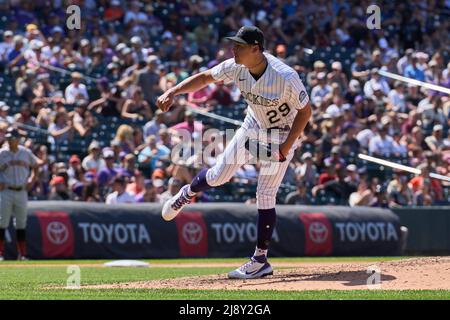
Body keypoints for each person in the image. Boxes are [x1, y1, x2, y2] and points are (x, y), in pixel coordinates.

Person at [156, 26, 311, 279]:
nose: (233, 49)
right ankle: (187, 192)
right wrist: (173, 91)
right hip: (253, 125)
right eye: (233, 44)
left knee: (266, 192)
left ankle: (260, 260)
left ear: (256, 48)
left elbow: (305, 113)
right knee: (218, 176)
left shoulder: (285, 76)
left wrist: (285, 146)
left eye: (239, 45)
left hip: (282, 133)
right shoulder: (236, 66)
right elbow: (206, 77)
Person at [0, 128, 39, 260]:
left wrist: (33, 179)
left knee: (21, 223)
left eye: (14, 138)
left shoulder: (25, 153)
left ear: (18, 139)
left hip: (21, 191)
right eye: (9, 138)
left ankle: (22, 254)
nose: (11, 141)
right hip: (6, 191)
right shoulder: (2, 153)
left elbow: (36, 165)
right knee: (2, 221)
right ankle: (0, 254)